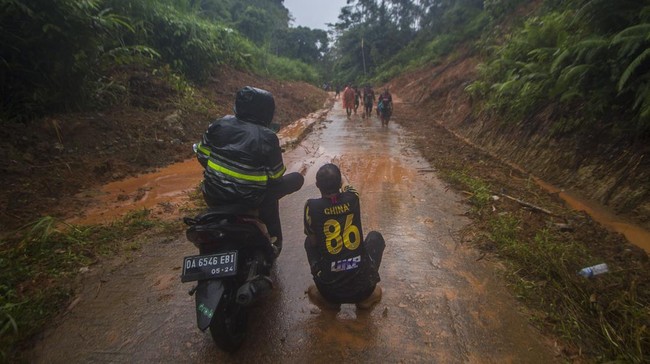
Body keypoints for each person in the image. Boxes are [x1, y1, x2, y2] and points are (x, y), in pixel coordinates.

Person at [196, 86, 304, 254]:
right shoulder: (268, 137)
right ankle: (275, 241)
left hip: (212, 193)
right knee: (296, 179)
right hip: (251, 199)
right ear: (267, 111)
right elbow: (275, 177)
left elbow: (202, 155)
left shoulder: (219, 123)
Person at [303, 163, 385, 310]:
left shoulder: (311, 206)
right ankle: (366, 299)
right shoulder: (353, 197)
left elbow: (314, 241)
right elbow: (346, 184)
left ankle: (329, 300)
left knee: (309, 242)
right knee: (375, 237)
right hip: (363, 290)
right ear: (339, 183)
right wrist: (342, 179)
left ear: (317, 185)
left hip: (330, 292)